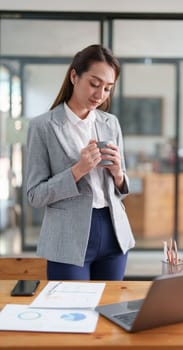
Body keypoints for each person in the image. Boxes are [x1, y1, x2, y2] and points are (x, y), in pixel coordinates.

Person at [26, 44, 135, 281]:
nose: (100, 95)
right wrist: (77, 170)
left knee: (109, 311)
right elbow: (34, 195)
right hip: (67, 238)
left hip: (113, 233)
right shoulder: (43, 126)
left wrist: (118, 174)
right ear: (74, 76)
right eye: (94, 84)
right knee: (70, 313)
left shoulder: (111, 123)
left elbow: (122, 190)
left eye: (108, 88)